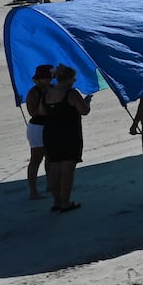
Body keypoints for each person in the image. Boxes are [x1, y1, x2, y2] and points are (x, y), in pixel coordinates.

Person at [41, 63, 91, 212]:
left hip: (50, 133)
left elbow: (42, 111)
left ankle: (56, 201)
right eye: (74, 79)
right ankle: (65, 202)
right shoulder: (72, 93)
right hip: (68, 132)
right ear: (69, 79)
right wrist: (87, 103)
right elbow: (84, 111)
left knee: (54, 168)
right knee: (67, 168)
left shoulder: (48, 92)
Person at [24, 65, 54, 199]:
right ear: (39, 79)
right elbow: (33, 113)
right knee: (36, 159)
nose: (48, 80)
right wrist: (44, 104)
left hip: (50, 125)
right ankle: (33, 191)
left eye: (50, 77)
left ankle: (50, 184)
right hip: (37, 127)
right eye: (45, 78)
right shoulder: (33, 92)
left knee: (50, 157)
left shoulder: (52, 88)